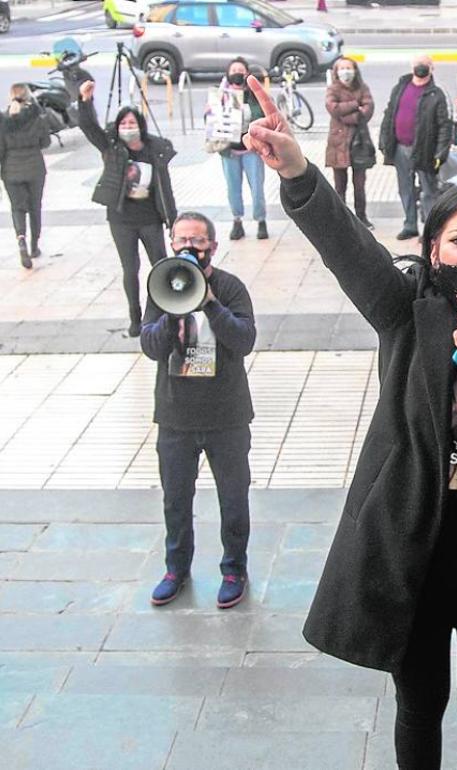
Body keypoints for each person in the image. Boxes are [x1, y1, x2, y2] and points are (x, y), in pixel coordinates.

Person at [243, 75, 457, 769]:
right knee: (418, 709)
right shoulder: (405, 310)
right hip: (411, 551)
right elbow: (348, 246)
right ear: (433, 249)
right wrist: (300, 172)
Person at [139, 211, 257, 610]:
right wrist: (175, 309)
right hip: (176, 418)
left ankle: (233, 569)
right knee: (175, 499)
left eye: (198, 241)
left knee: (233, 499)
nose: (189, 248)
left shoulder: (230, 287)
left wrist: (209, 305)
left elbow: (244, 341)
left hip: (227, 416)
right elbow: (150, 346)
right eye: (181, 241)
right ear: (171, 245)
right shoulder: (162, 286)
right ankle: (175, 569)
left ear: (212, 246)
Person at [78, 79, 177, 338]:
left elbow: (165, 189)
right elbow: (89, 128)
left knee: (160, 264)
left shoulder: (155, 150)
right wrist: (85, 101)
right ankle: (135, 316)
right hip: (121, 219)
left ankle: (165, 311)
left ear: (140, 126)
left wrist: (173, 220)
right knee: (130, 268)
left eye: (132, 123)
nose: (128, 128)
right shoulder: (113, 149)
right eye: (124, 124)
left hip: (150, 218)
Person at [380, 53, 453, 241]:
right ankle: (410, 225)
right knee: (405, 188)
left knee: (429, 191)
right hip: (400, 147)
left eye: (425, 64)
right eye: (418, 64)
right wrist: (384, 140)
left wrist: (440, 152)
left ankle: (430, 230)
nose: (421, 67)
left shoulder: (436, 94)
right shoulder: (400, 87)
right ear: (411, 66)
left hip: (425, 150)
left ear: (432, 68)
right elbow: (389, 113)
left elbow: (444, 125)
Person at [216, 58, 269, 241]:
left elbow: (262, 116)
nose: (237, 73)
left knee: (257, 187)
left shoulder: (254, 94)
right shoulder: (220, 96)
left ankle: (261, 219)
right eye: (234, 70)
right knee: (233, 187)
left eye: (241, 70)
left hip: (251, 150)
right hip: (229, 151)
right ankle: (237, 219)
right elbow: (212, 122)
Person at [0, 84, 52, 269]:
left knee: (17, 208)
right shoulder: (37, 116)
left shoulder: (3, 119)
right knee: (35, 207)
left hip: (11, 171)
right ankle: (34, 246)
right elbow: (46, 142)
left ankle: (21, 239)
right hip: (35, 168)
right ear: (28, 97)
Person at [324, 56, 376, 229]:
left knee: (359, 184)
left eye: (349, 67)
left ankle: (362, 216)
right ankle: (341, 220)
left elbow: (367, 111)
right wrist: (355, 105)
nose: (346, 71)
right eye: (342, 68)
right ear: (336, 72)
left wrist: (351, 111)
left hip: (359, 142)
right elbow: (334, 109)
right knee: (340, 185)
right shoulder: (333, 89)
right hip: (338, 143)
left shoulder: (363, 88)